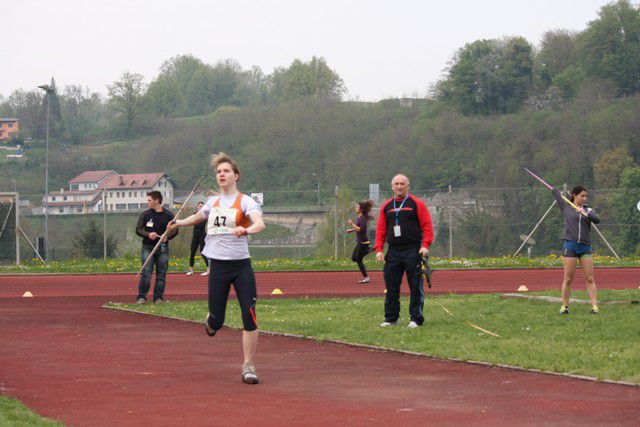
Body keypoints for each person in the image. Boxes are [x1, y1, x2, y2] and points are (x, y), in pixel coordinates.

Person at [168, 152, 265, 384]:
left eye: (226, 171)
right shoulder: (213, 202)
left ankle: (248, 365)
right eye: (218, 172)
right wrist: (179, 222)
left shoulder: (246, 202)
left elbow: (259, 223)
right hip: (218, 267)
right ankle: (211, 321)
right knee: (217, 321)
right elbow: (197, 217)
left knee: (249, 314)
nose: (221, 174)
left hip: (241, 266)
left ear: (236, 176)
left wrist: (247, 230)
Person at [375, 174, 434, 328]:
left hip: (412, 250)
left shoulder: (416, 204)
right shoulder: (386, 206)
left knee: (415, 286)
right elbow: (381, 228)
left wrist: (425, 245)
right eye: (396, 184)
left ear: (408, 186)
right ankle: (391, 319)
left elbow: (427, 225)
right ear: (392, 186)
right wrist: (379, 249)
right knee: (391, 286)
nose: (399, 186)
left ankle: (416, 319)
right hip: (393, 251)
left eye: (402, 184)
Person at [552, 185, 601, 314]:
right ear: (574, 195)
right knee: (568, 279)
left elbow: (597, 220)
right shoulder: (566, 207)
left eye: (586, 196)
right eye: (582, 196)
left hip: (585, 247)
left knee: (590, 278)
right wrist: (554, 189)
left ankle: (594, 306)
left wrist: (587, 213)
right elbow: (557, 195)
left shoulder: (588, 209)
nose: (584, 198)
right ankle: (564, 306)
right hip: (571, 246)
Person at [135, 191, 178, 304]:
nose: (148, 202)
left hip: (163, 248)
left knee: (161, 274)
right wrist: (148, 234)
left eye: (149, 200)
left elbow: (175, 230)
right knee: (146, 273)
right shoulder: (145, 214)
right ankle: (142, 297)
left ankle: (158, 298)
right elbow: (138, 229)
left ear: (157, 200)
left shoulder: (169, 215)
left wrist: (167, 237)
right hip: (148, 247)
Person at [347, 200, 374, 283]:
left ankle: (366, 278)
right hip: (360, 242)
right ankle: (369, 249)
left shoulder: (363, 218)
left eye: (357, 207)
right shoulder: (359, 217)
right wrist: (352, 230)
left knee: (358, 260)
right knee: (353, 258)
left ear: (361, 209)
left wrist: (352, 224)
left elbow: (361, 229)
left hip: (363, 243)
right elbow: (358, 228)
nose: (355, 208)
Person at [186, 201, 209, 276]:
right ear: (197, 207)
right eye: (199, 206)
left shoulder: (205, 216)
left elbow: (200, 225)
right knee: (192, 251)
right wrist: (195, 220)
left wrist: (195, 220)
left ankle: (208, 269)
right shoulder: (194, 214)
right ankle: (191, 269)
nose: (201, 207)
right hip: (195, 235)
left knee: (203, 251)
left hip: (202, 235)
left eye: (202, 206)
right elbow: (193, 222)